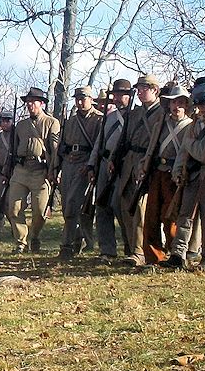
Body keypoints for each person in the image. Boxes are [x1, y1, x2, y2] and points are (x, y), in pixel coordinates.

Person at [162, 81, 205, 270]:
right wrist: (178, 170)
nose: (199, 108)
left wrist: (191, 145)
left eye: (203, 103)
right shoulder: (196, 123)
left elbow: (204, 153)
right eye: (197, 104)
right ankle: (178, 255)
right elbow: (184, 150)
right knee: (184, 217)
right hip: (193, 175)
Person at [139, 84, 192, 264]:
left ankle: (174, 255)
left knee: (171, 218)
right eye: (173, 103)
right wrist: (144, 165)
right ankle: (153, 257)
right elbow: (152, 146)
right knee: (151, 216)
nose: (176, 107)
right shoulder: (161, 124)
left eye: (180, 103)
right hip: (157, 173)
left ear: (186, 105)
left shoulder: (190, 127)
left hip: (176, 176)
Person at [7, 87, 60, 254]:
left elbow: (55, 149)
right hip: (21, 169)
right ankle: (20, 242)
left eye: (33, 102)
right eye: (28, 102)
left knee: (40, 211)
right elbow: (13, 149)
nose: (30, 105)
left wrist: (53, 170)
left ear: (41, 103)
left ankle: (35, 236)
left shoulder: (52, 122)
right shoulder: (21, 125)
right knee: (14, 208)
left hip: (41, 170)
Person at [116, 74, 162, 267]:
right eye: (139, 89)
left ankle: (140, 252)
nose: (140, 92)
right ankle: (132, 247)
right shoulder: (133, 113)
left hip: (148, 163)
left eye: (144, 88)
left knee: (142, 209)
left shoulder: (162, 112)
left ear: (155, 90)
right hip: (130, 161)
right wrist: (114, 159)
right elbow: (124, 140)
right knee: (126, 205)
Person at [88, 79, 133, 263]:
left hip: (124, 166)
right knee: (102, 207)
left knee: (121, 207)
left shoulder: (135, 116)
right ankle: (107, 250)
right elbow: (100, 142)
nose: (116, 97)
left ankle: (131, 248)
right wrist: (92, 165)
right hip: (105, 164)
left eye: (120, 94)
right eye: (114, 94)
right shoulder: (109, 117)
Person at [56, 87, 102, 260]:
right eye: (77, 99)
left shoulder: (99, 119)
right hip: (69, 163)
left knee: (73, 204)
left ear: (91, 99)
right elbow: (62, 144)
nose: (80, 102)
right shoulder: (71, 121)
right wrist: (58, 166)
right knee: (68, 205)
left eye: (83, 98)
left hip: (85, 164)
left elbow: (98, 146)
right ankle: (79, 239)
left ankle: (66, 245)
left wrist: (90, 165)